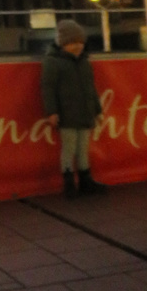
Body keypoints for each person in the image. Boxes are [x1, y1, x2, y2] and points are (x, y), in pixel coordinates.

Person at [41, 19, 108, 198]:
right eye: (73, 43)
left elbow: (90, 88)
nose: (77, 46)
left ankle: (84, 180)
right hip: (67, 113)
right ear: (63, 43)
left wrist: (97, 109)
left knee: (82, 148)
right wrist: (52, 112)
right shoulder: (53, 62)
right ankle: (71, 182)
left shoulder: (83, 62)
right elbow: (48, 88)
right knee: (70, 148)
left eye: (80, 42)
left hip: (83, 112)